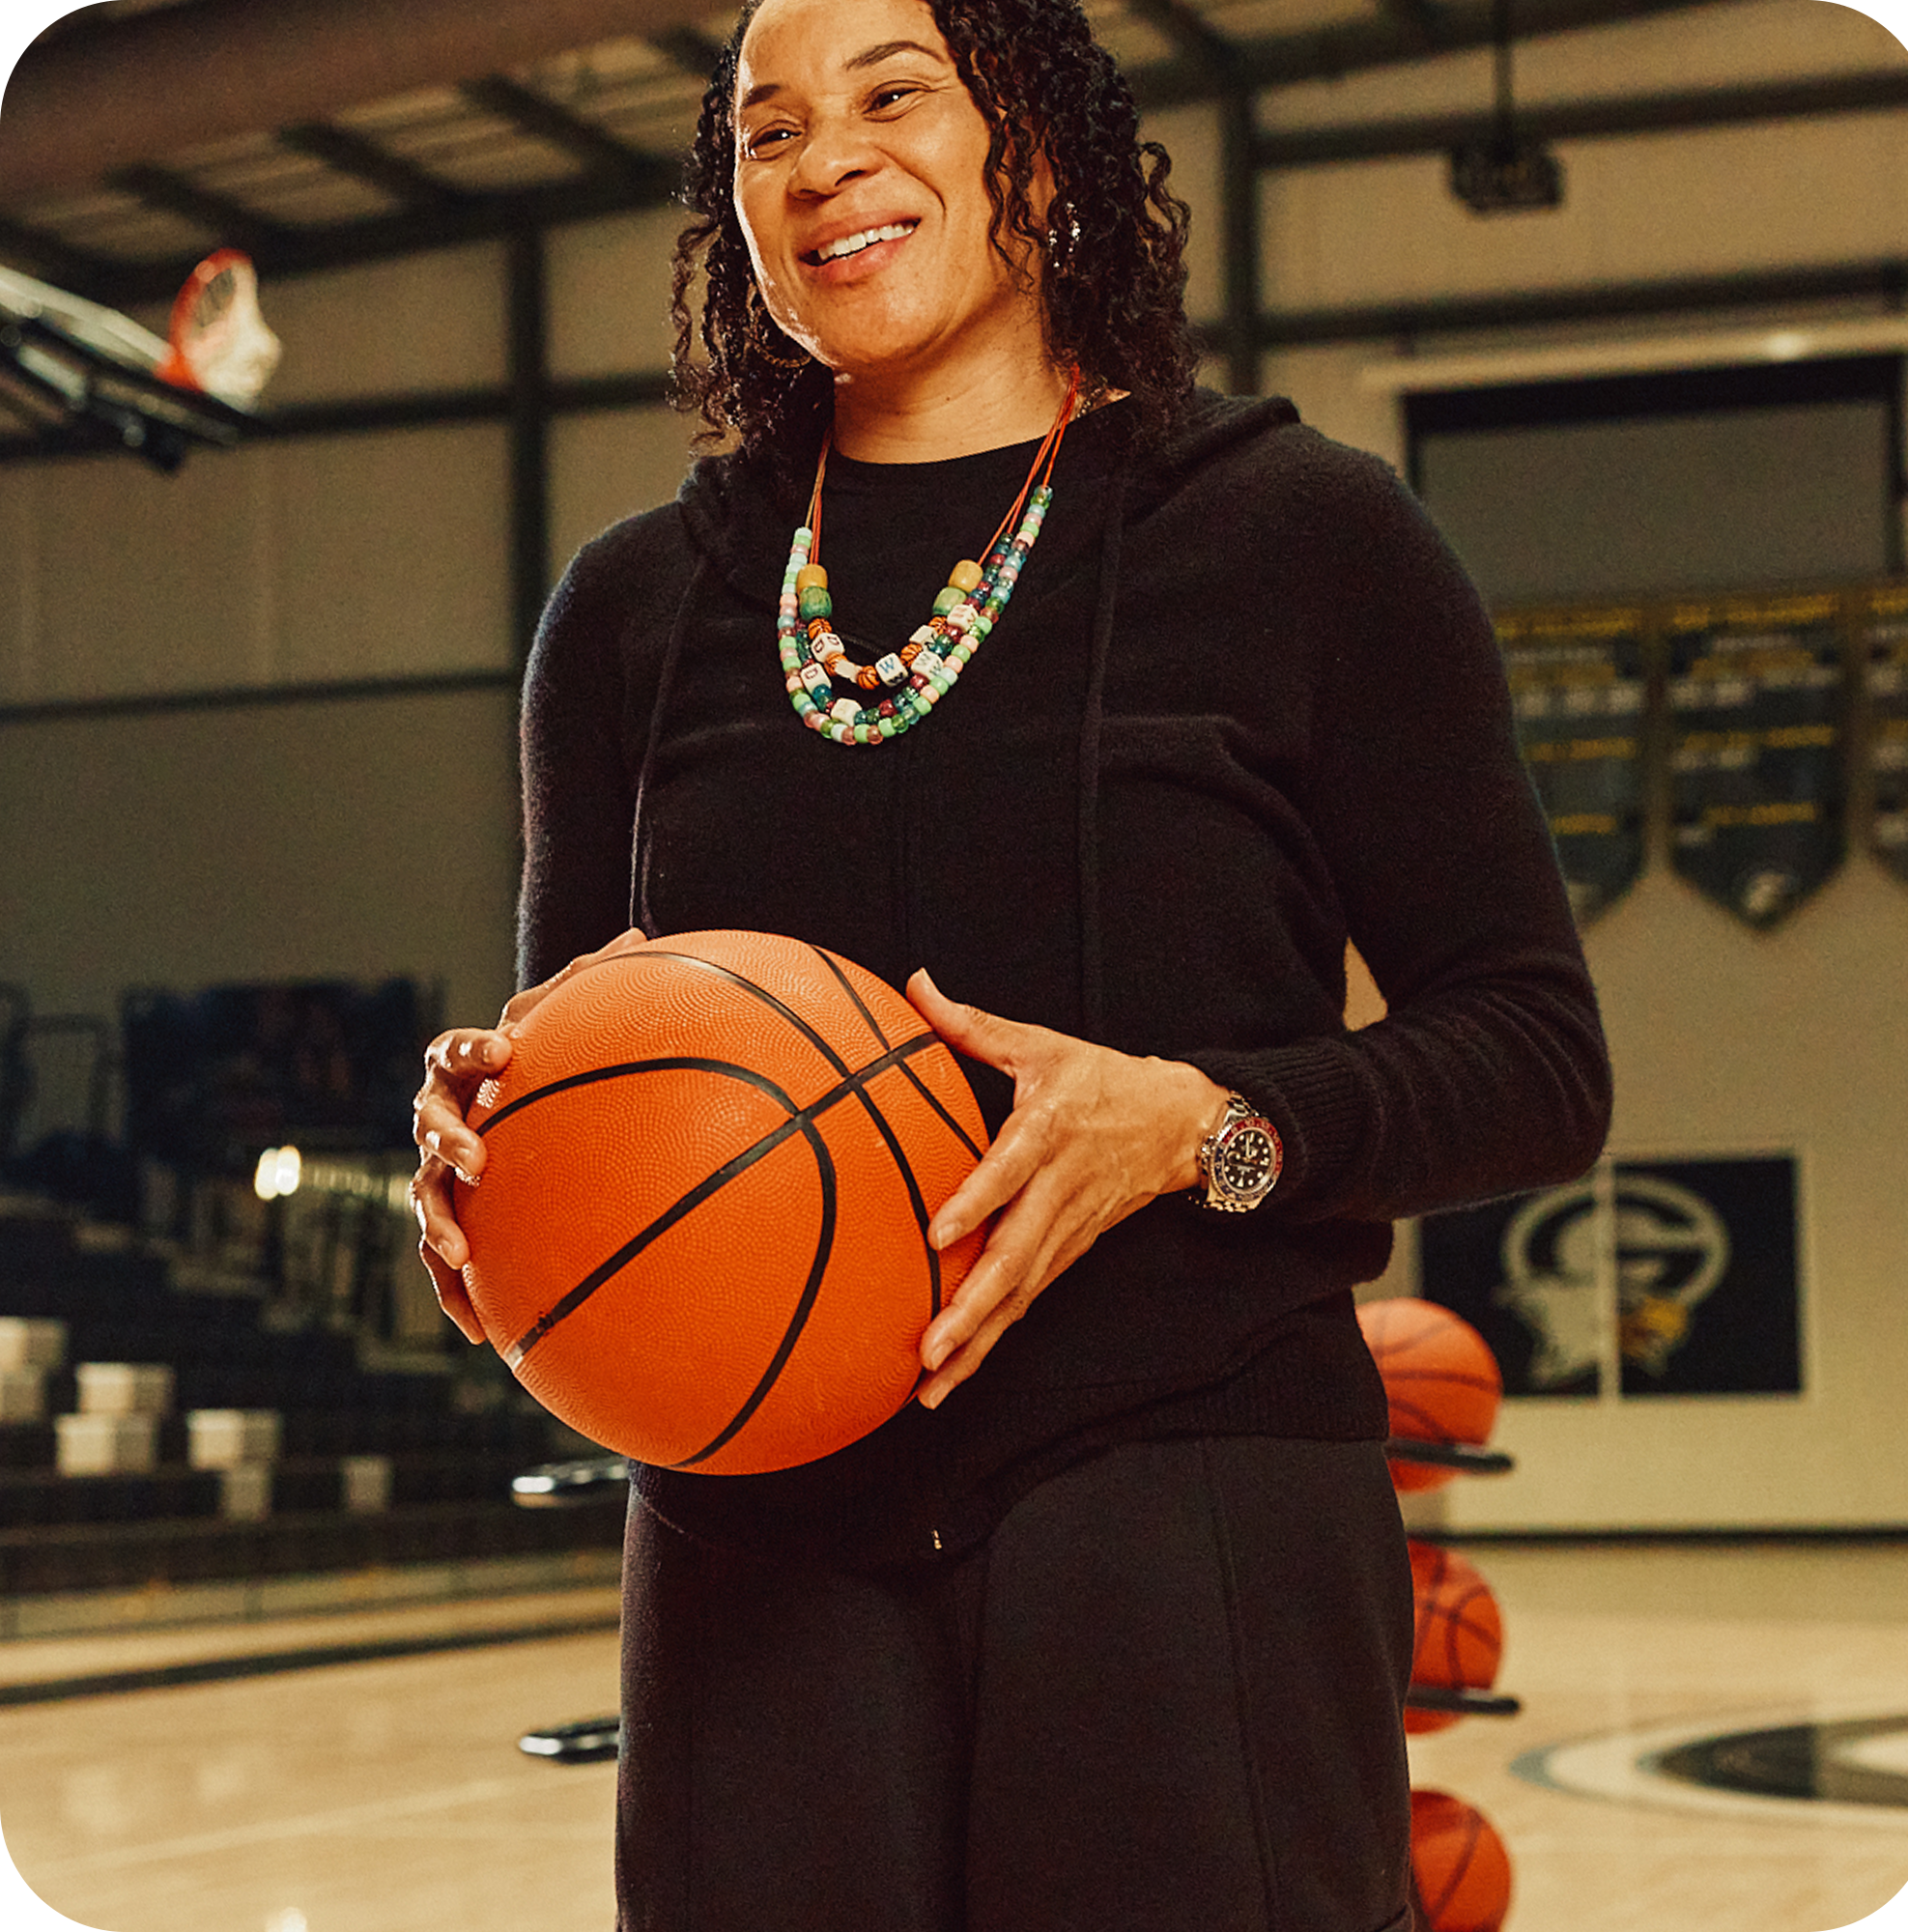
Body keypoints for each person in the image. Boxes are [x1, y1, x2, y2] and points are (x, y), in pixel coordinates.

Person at [412, 0, 1612, 1925]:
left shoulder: (1303, 540)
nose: (824, 161)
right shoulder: (636, 610)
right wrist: (489, 1189)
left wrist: (1201, 1128)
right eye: (765, 129)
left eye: (893, 96)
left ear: (1035, 154)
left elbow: (1538, 1058)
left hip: (1188, 1473)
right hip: (754, 1526)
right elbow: (578, 1074)